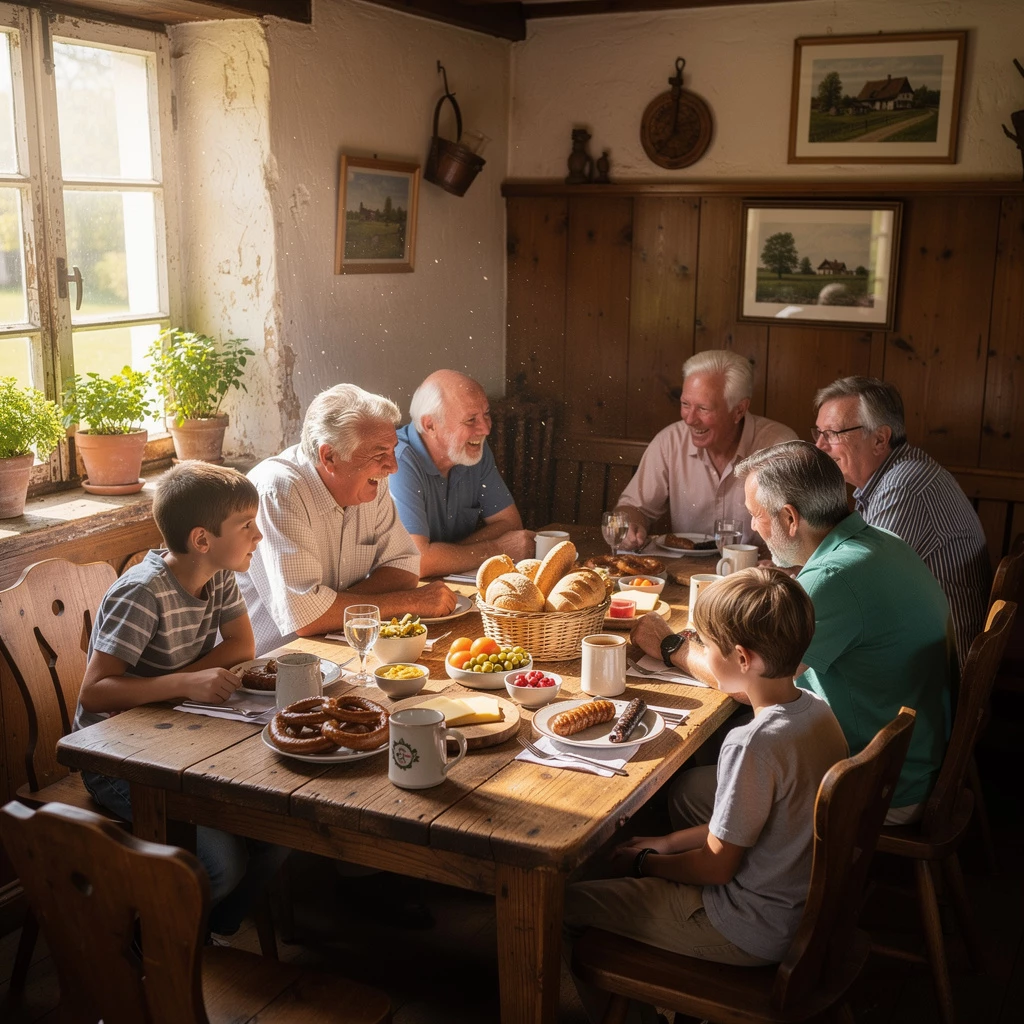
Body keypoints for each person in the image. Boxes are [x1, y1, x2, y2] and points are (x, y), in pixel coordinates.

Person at [565, 569, 847, 1023]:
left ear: (741, 657)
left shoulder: (753, 742)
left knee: (568, 905)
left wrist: (646, 865)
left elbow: (716, 867)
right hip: (798, 908)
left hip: (747, 927)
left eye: (704, 642)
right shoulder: (817, 712)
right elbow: (748, 826)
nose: (698, 648)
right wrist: (671, 844)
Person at [632, 441, 951, 823]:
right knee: (723, 740)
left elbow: (742, 683)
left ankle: (732, 880)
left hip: (877, 784)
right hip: (915, 755)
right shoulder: (880, 542)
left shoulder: (832, 578)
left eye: (756, 515)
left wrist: (672, 645)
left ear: (789, 519)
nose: (753, 526)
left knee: (688, 790)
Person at [74, 461, 288, 937]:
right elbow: (95, 692)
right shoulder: (141, 593)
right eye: (246, 525)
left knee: (282, 835)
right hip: (116, 760)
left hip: (179, 740)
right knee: (223, 867)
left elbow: (241, 647)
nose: (257, 535)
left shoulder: (219, 574)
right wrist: (184, 684)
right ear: (202, 539)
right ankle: (139, 942)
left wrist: (186, 681)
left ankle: (202, 936)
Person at [239, 383, 458, 655]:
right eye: (380, 454)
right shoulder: (279, 489)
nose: (393, 466)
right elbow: (307, 618)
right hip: (272, 666)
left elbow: (404, 568)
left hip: (340, 647)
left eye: (392, 450)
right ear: (329, 456)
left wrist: (332, 606)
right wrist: (410, 602)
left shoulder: (370, 481)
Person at [813, 376, 991, 667]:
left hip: (938, 669)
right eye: (818, 432)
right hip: (926, 646)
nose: (819, 446)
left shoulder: (903, 486)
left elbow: (859, 585)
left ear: (880, 439)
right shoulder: (893, 476)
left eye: (832, 433)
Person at [616, 349, 796, 550]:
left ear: (739, 410)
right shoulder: (670, 441)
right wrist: (630, 525)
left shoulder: (779, 445)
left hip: (756, 574)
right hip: (685, 571)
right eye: (685, 404)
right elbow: (633, 507)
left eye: (703, 409)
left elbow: (801, 526)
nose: (690, 419)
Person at [390, 370, 535, 576]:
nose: (485, 429)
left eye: (486, 414)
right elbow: (418, 561)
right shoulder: (399, 460)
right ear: (429, 425)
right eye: (470, 420)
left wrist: (444, 556)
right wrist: (497, 549)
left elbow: (510, 524)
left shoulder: (472, 450)